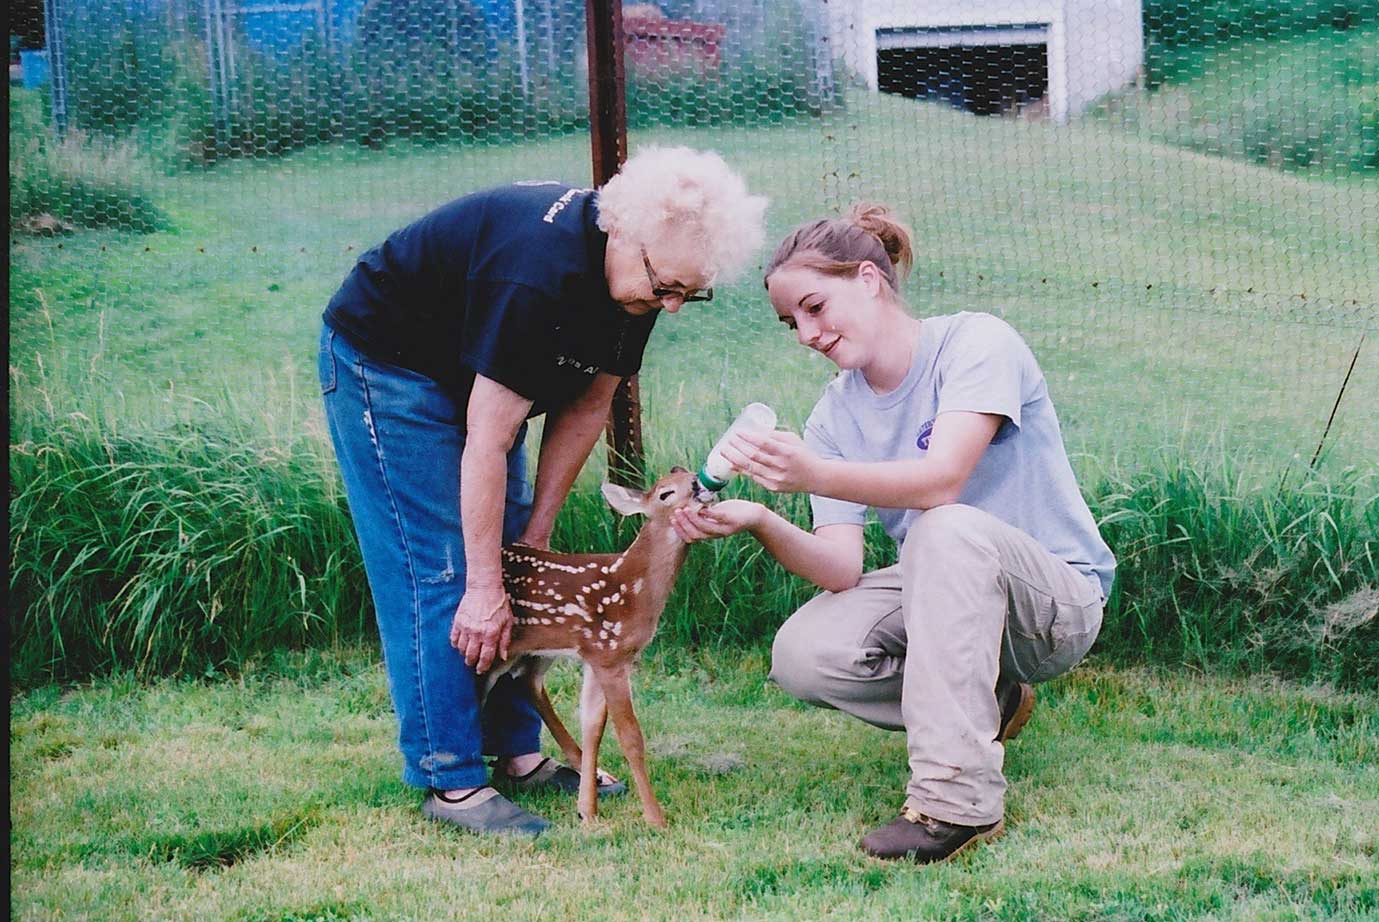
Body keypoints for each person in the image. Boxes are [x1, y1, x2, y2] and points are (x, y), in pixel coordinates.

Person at [318, 146, 767, 836]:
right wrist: (484, 583)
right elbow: (489, 439)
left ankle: (520, 756)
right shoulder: (541, 272)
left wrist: (534, 536)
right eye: (666, 287)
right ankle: (453, 782)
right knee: (446, 569)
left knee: (512, 556)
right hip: (391, 367)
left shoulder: (640, 279)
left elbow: (588, 407)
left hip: (472, 375)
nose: (671, 307)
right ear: (623, 231)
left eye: (688, 293)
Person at [671, 204, 1114, 863]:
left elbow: (942, 479)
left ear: (870, 280)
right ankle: (989, 698)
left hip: (1054, 605)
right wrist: (760, 519)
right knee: (803, 651)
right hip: (948, 588)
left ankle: (954, 803)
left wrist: (815, 472)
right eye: (791, 322)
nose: (805, 334)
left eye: (816, 307)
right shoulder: (833, 415)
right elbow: (839, 570)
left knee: (944, 527)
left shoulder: (976, 343)